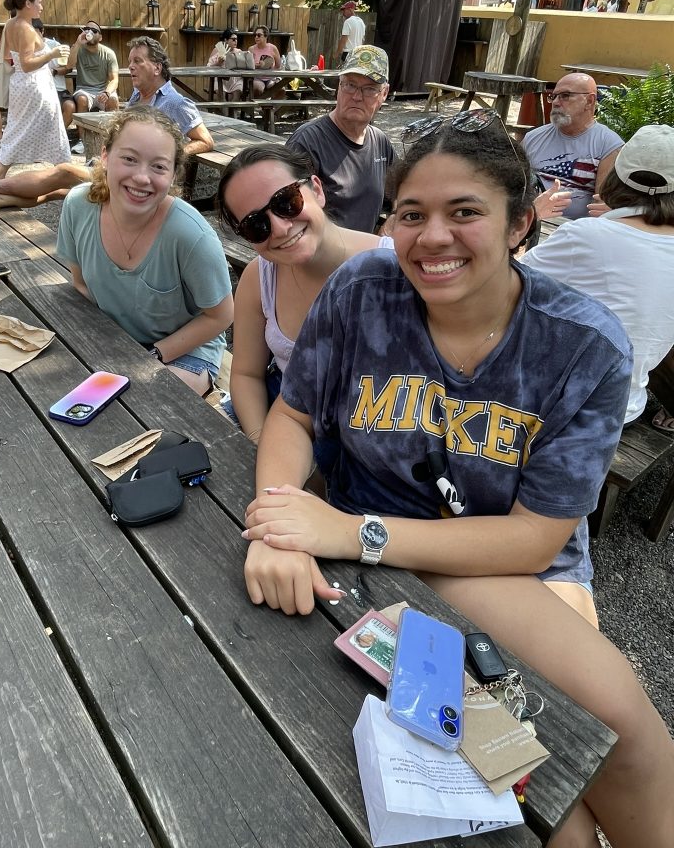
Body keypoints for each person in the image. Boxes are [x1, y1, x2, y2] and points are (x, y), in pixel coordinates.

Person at [240, 111, 674, 848]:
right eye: (411, 214)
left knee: (621, 729)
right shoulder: (363, 290)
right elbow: (294, 415)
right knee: (554, 823)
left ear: (519, 224)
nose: (430, 236)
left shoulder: (582, 345)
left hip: (509, 561)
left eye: (464, 211)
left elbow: (536, 539)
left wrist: (353, 533)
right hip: (368, 548)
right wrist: (277, 521)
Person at [216, 144, 392, 442]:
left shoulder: (394, 269)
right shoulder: (259, 278)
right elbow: (247, 375)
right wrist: (261, 440)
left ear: (317, 190)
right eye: (256, 224)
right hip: (285, 420)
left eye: (286, 201)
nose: (281, 228)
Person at [55, 106, 233, 395]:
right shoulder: (78, 205)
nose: (141, 177)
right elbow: (81, 285)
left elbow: (221, 316)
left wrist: (151, 356)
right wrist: (109, 347)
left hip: (182, 351)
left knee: (142, 401)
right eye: (129, 159)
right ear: (105, 157)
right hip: (115, 340)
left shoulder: (190, 234)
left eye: (159, 166)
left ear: (174, 174)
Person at [0, 36, 214, 211]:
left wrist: (170, 156)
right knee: (59, 190)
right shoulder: (136, 96)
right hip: (114, 168)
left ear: (157, 67)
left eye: (137, 62)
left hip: (135, 179)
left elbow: (205, 140)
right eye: (129, 61)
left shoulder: (175, 102)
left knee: (64, 170)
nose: (130, 67)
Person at [524, 123, 674, 429]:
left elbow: (502, 284)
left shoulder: (588, 235)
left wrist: (529, 217)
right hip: (624, 407)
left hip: (553, 405)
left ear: (616, 177)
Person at [286, 45, 394, 233]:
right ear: (339, 86)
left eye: (369, 89)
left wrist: (390, 225)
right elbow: (290, 219)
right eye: (350, 85)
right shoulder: (307, 142)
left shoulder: (380, 143)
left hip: (366, 257)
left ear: (384, 93)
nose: (357, 96)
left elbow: (403, 196)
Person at [0, 0, 71, 179]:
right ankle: (66, 170)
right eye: (39, 2)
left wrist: (17, 67)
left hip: (20, 84)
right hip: (35, 85)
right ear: (28, 4)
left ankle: (0, 172)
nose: (42, 7)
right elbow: (27, 65)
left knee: (16, 128)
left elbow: (5, 57)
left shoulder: (10, 24)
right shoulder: (26, 29)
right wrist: (52, 53)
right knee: (53, 127)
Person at [523, 72, 623, 221]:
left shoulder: (609, 145)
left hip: (573, 230)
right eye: (554, 96)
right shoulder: (533, 137)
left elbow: (602, 206)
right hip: (530, 221)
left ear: (589, 101)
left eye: (565, 96)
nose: (556, 102)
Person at [65, 20, 120, 151]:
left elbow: (114, 79)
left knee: (112, 99)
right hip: (84, 89)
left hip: (102, 89)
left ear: (100, 37)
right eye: (86, 29)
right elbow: (68, 65)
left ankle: (114, 139)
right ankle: (83, 141)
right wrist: (78, 43)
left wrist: (107, 92)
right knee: (82, 99)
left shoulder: (108, 53)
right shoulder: (78, 49)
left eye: (94, 31)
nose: (89, 32)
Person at [32, 17, 76, 123]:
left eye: (35, 32)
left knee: (70, 107)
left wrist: (54, 72)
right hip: (37, 90)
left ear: (42, 31)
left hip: (58, 89)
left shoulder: (54, 45)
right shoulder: (26, 48)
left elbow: (68, 68)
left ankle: (60, 137)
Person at [207, 28, 242, 100]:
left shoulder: (239, 51)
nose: (235, 41)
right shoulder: (218, 49)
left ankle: (231, 110)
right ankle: (224, 111)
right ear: (226, 40)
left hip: (235, 79)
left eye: (236, 39)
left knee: (237, 94)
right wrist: (218, 63)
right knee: (221, 95)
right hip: (220, 78)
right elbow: (208, 67)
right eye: (233, 39)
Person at [247, 26, 281, 96]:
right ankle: (259, 105)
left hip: (271, 77)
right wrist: (257, 66)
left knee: (281, 89)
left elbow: (278, 66)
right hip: (257, 77)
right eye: (255, 35)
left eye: (259, 35)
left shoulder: (273, 48)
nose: (256, 37)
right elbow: (248, 66)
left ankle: (271, 106)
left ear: (266, 36)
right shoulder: (251, 49)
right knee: (257, 88)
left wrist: (270, 66)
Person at [335, 0, 365, 64]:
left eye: (344, 10)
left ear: (350, 9)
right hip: (358, 54)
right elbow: (362, 39)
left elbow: (344, 39)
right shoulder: (361, 22)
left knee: (346, 73)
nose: (343, 13)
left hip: (348, 54)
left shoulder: (348, 22)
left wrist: (337, 53)